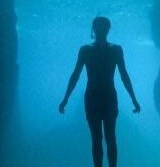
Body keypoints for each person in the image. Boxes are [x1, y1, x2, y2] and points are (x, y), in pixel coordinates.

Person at [59, 16, 141, 167]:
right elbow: (75, 75)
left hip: (100, 98)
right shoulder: (102, 50)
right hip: (100, 98)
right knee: (103, 138)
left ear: (107, 29)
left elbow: (124, 76)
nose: (101, 30)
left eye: (103, 27)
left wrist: (134, 99)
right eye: (99, 27)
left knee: (105, 138)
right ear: (95, 29)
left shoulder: (101, 50)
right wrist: (65, 99)